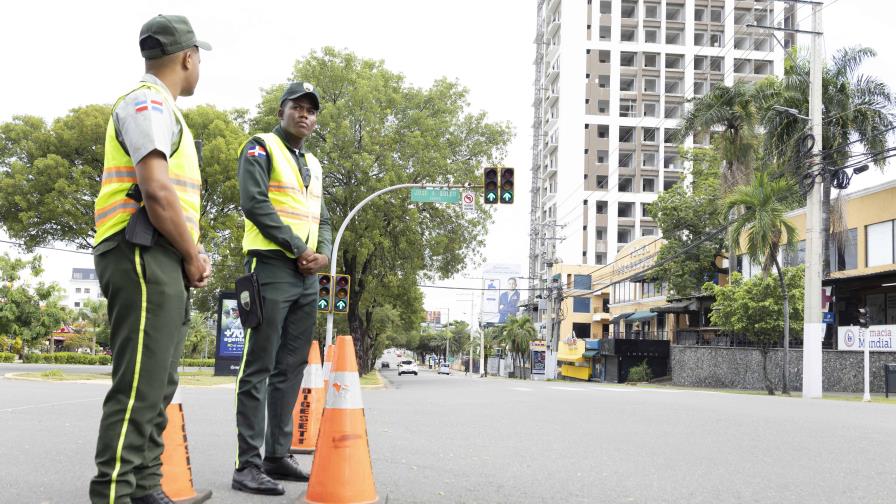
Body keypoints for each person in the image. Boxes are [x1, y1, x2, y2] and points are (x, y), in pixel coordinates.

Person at [89, 15, 211, 504]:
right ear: (187, 57)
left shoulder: (164, 108)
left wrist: (186, 255)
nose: (199, 64)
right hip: (142, 252)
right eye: (199, 56)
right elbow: (158, 193)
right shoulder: (147, 102)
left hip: (158, 256)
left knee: (158, 384)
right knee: (140, 386)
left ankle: (144, 489)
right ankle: (116, 494)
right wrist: (192, 254)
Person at [232, 82, 333, 496]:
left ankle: (277, 453)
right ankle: (247, 464)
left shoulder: (314, 163)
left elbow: (323, 219)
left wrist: (322, 254)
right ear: (282, 110)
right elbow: (254, 203)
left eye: (311, 110)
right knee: (258, 366)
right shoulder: (260, 147)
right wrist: (297, 247)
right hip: (271, 267)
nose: (305, 114)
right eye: (298, 107)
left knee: (290, 367)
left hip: (306, 276)